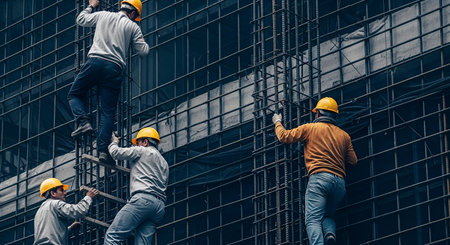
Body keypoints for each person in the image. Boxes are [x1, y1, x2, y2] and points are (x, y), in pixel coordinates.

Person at [67, 0, 149, 164]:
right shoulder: (133, 27)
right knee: (107, 112)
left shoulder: (103, 15)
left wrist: (92, 6)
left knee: (74, 94)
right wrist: (132, 39)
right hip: (114, 68)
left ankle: (83, 122)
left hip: (95, 61)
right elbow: (144, 51)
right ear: (133, 13)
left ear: (123, 6)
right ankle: (103, 151)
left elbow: (81, 19)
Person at [272, 97, 357, 245]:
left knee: (312, 219)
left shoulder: (310, 128)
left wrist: (277, 122)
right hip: (339, 184)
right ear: (334, 115)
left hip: (319, 180)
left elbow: (284, 136)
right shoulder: (345, 136)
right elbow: (353, 161)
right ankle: (330, 234)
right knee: (327, 214)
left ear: (317, 113)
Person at [104, 127, 169, 244]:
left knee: (112, 236)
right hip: (159, 207)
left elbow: (116, 153)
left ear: (145, 142)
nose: (136, 146)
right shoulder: (164, 163)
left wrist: (114, 142)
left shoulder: (142, 151)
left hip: (143, 200)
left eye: (138, 142)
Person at [34, 177, 99, 245]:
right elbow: (79, 210)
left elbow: (49, 233)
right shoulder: (55, 203)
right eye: (62, 190)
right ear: (53, 193)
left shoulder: (39, 211)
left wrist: (69, 229)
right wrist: (88, 197)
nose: (65, 193)